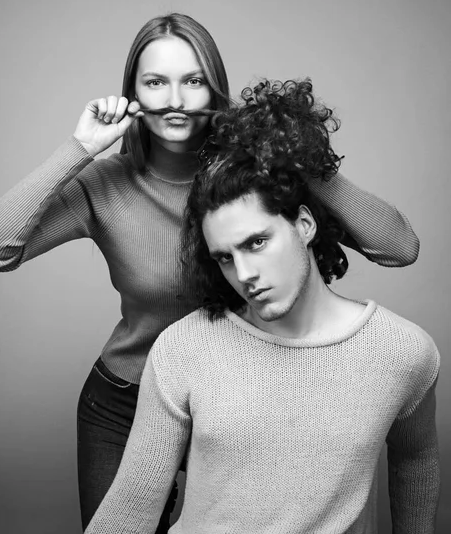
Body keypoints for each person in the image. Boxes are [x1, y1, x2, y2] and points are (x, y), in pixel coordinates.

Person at [0, 13, 419, 531]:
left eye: (193, 81)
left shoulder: (256, 173)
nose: (175, 99)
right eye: (155, 82)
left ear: (215, 88)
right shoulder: (104, 185)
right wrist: (78, 150)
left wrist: (298, 157)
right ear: (133, 94)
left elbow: (398, 247)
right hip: (124, 400)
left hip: (242, 401)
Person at [84, 80, 440, 534]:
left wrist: (299, 161)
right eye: (226, 257)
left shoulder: (402, 352)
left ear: (305, 224)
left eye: (257, 242)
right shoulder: (183, 349)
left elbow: (416, 462)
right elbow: (131, 507)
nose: (244, 273)